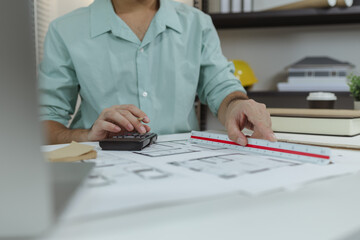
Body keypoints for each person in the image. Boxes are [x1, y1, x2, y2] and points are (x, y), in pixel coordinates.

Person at [39, 0, 276, 146]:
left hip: (183, 169)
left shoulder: (198, 23)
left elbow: (221, 87)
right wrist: (88, 135)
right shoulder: (64, 30)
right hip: (98, 169)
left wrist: (236, 105)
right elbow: (45, 125)